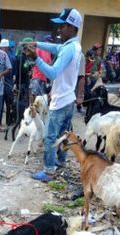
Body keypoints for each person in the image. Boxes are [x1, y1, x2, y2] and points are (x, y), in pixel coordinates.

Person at [24, 8, 82, 181]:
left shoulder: (69, 49)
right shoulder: (73, 46)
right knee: (64, 134)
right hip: (69, 99)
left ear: (71, 28)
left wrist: (36, 58)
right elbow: (56, 48)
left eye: (62, 26)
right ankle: (61, 161)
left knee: (49, 138)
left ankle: (49, 171)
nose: (59, 29)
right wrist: (38, 45)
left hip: (60, 101)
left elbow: (53, 73)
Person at [30, 35, 52, 99]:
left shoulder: (49, 52)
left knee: (41, 99)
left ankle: (37, 108)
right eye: (48, 42)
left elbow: (49, 64)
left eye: (50, 42)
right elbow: (34, 61)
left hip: (44, 78)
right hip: (37, 76)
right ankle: (32, 109)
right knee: (34, 96)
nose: (49, 44)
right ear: (44, 42)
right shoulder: (39, 49)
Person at [0, 38, 16, 126]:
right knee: (9, 104)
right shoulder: (12, 58)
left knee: (0, 105)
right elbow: (14, 73)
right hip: (8, 84)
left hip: (2, 84)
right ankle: (8, 121)